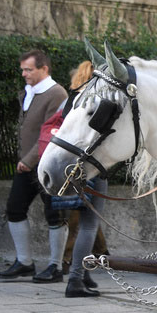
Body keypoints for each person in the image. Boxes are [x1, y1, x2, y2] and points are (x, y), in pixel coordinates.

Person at [0, 49, 68, 282]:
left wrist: (27, 161)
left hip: (48, 164)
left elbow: (50, 132)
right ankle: (24, 262)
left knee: (55, 214)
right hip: (27, 166)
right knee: (15, 209)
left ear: (44, 69)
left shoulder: (56, 93)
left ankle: (55, 267)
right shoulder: (31, 91)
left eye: (28, 69)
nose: (23, 74)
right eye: (23, 69)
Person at [58, 61, 108, 297]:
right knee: (89, 225)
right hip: (91, 168)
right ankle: (76, 279)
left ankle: (82, 273)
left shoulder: (72, 101)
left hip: (71, 168)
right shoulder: (93, 102)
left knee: (80, 224)